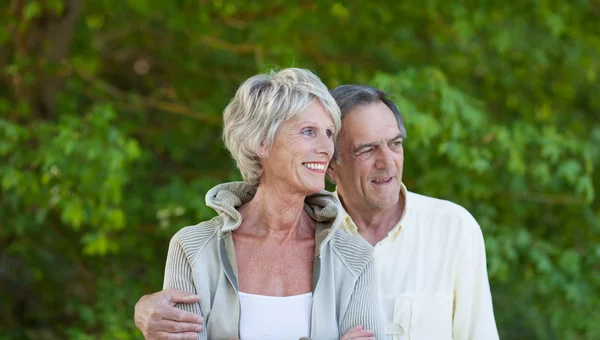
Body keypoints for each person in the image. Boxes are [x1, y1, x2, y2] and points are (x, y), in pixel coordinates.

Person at [135, 83, 499, 339]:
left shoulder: (362, 253)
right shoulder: (194, 248)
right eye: (366, 149)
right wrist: (143, 311)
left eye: (396, 144)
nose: (388, 163)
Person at [142, 69, 383, 340]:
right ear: (262, 142)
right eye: (308, 131)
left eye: (329, 133)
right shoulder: (193, 249)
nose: (327, 147)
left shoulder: (355, 259)